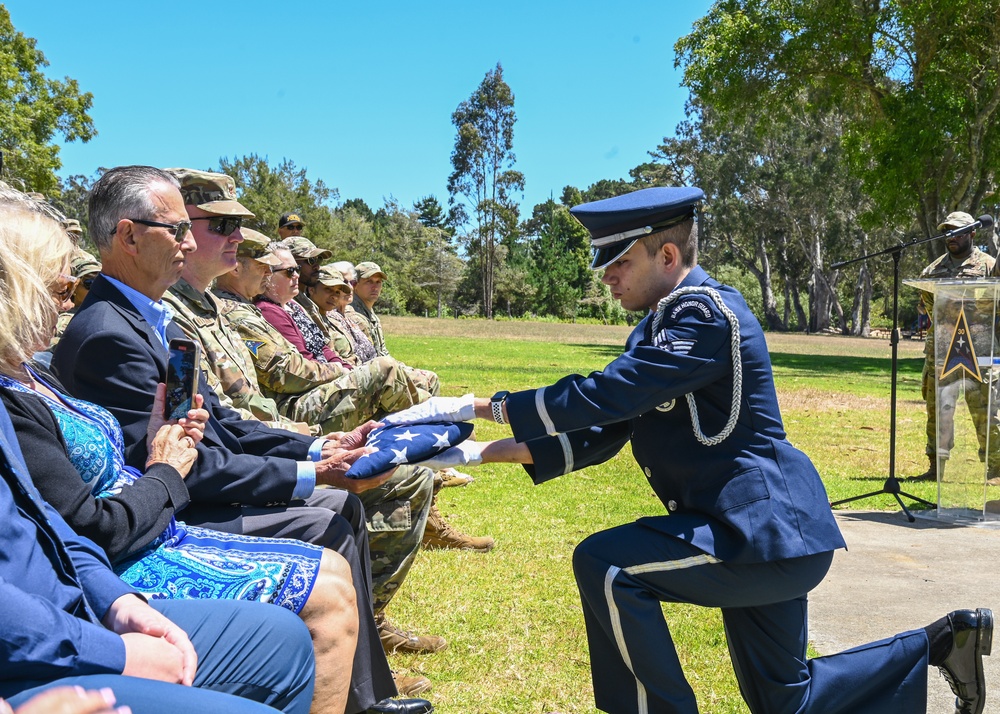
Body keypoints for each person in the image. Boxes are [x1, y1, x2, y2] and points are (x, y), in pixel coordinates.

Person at [386, 187, 994, 714]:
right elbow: (598, 435)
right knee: (788, 700)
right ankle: (942, 643)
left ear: (667, 254)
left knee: (608, 565)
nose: (606, 275)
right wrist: (465, 454)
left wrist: (469, 406)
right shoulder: (661, 324)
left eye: (618, 260)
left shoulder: (704, 313)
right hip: (768, 534)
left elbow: (610, 394)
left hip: (762, 534)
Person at [50, 166, 431, 714]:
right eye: (175, 229)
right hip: (165, 518)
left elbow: (222, 425)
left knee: (339, 505)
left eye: (190, 228)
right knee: (327, 515)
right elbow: (181, 466)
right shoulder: (109, 335)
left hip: (182, 495)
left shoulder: (153, 321)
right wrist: (311, 474)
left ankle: (363, 694)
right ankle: (357, 698)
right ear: (128, 236)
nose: (187, 241)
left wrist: (314, 449)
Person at [160, 169, 444, 674]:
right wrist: (310, 450)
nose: (240, 244)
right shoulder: (167, 315)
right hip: (222, 476)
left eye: (238, 233)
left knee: (406, 472)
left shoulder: (214, 307)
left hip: (263, 444)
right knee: (350, 497)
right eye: (222, 229)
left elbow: (231, 414)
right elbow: (209, 431)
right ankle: (347, 636)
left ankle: (364, 625)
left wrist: (314, 446)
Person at [0, 346, 317, 714]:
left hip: (87, 588)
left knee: (284, 637)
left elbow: (42, 519)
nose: (65, 298)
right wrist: (114, 652)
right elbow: (93, 528)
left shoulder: (30, 373)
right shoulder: (99, 336)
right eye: (58, 289)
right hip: (40, 643)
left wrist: (115, 601)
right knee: (324, 584)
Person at [910, 211, 999, 482]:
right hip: (942, 351)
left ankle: (996, 468)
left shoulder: (988, 266)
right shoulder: (932, 270)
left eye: (958, 231)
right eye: (948, 230)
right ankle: (936, 467)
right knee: (939, 411)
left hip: (980, 350)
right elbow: (928, 306)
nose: (952, 236)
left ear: (972, 233)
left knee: (988, 411)